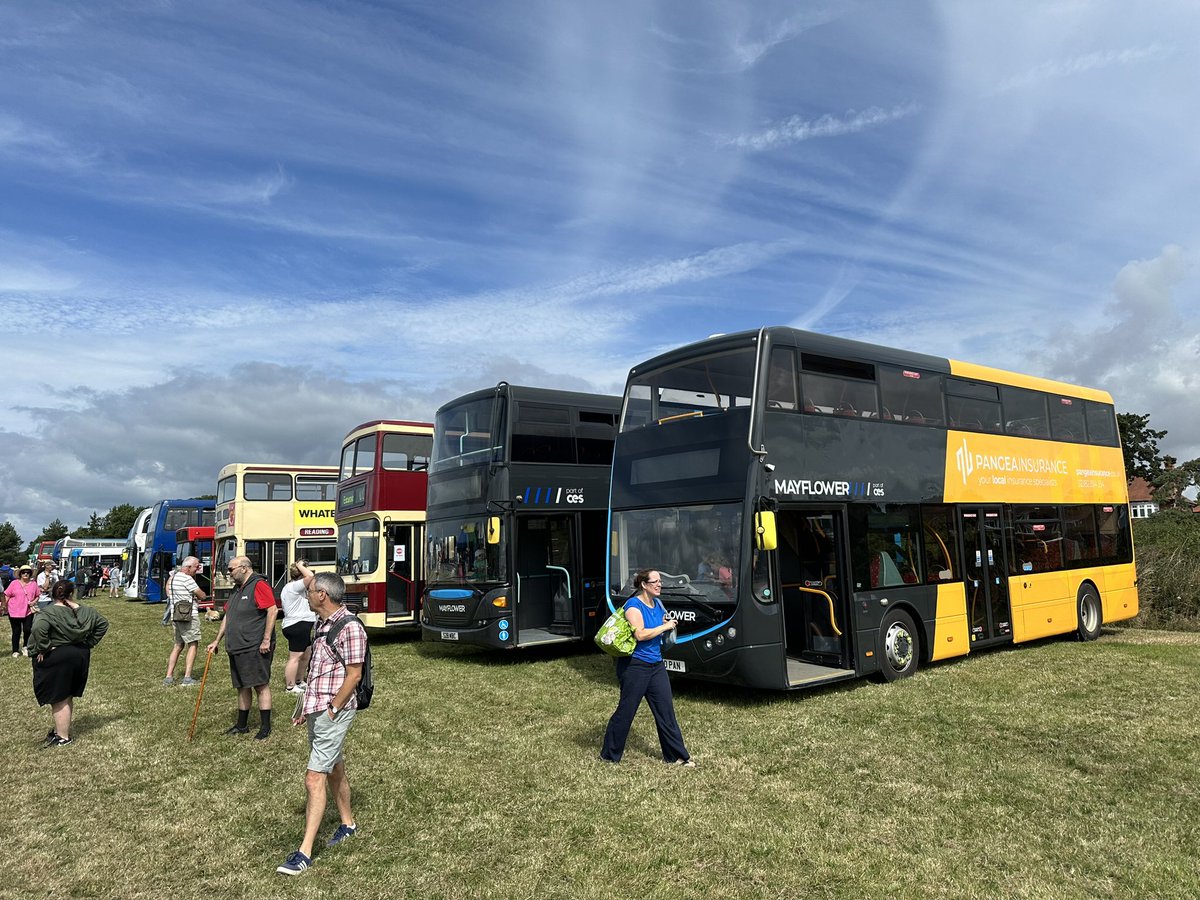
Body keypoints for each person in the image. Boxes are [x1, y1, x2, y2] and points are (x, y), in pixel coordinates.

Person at [277, 571, 366, 876]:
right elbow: (316, 670)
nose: (307, 593)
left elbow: (354, 675)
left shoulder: (350, 627)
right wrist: (307, 706)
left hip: (335, 712)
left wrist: (332, 709)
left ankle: (304, 853)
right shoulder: (322, 624)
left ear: (323, 595)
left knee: (314, 778)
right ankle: (348, 823)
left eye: (311, 590)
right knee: (334, 767)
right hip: (319, 709)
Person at [599, 568, 694, 767]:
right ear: (644, 584)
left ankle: (676, 757)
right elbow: (640, 635)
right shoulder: (633, 606)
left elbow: (659, 625)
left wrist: (667, 623)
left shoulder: (657, 603)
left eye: (660, 581)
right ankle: (609, 755)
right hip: (635, 666)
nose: (659, 585)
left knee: (666, 711)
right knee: (626, 711)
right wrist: (664, 627)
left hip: (656, 666)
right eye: (655, 582)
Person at [30, 579, 109, 747]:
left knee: (59, 698)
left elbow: (38, 629)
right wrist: (88, 643)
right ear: (72, 593)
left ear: (53, 594)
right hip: (79, 655)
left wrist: (44, 648)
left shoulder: (48, 612)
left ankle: (63, 737)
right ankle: (60, 731)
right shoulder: (87, 611)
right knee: (66, 695)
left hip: (59, 657)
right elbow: (103, 624)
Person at [206, 556, 278, 739]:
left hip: (254, 645)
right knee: (241, 686)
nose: (228, 573)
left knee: (260, 684)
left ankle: (265, 727)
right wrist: (217, 640)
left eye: (231, 569)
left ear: (244, 568)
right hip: (237, 646)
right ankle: (242, 725)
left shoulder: (259, 585)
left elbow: (272, 610)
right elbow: (228, 616)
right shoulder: (237, 589)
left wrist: (266, 640)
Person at [164, 556, 207, 686]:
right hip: (189, 616)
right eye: (196, 567)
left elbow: (168, 593)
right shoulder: (188, 579)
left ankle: (169, 677)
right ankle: (187, 678)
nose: (198, 569)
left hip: (176, 615)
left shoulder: (173, 577)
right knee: (193, 644)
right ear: (188, 567)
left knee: (178, 645)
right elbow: (202, 595)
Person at [280, 560, 318, 694]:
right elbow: (311, 576)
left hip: (303, 625)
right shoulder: (294, 586)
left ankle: (299, 681)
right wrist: (300, 565)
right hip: (297, 625)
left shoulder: (296, 587)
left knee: (306, 655)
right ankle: (290, 686)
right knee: (295, 657)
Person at [5, 565, 40, 657]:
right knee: (16, 631)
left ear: (30, 574)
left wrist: (34, 602)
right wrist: (3, 606)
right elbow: (7, 595)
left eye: (28, 572)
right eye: (23, 572)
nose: (25, 574)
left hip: (27, 611)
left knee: (27, 629)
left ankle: (25, 647)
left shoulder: (34, 584)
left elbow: (37, 595)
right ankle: (15, 650)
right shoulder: (14, 583)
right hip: (14, 611)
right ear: (20, 574)